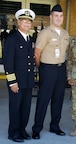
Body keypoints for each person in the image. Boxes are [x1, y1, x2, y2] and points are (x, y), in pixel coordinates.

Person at [32, 4, 69, 139]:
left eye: (60, 16)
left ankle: (55, 126)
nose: (58, 18)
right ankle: (37, 129)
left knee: (58, 99)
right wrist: (41, 67)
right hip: (47, 68)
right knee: (43, 100)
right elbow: (37, 53)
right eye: (56, 16)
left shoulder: (65, 33)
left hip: (61, 69)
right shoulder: (45, 33)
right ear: (51, 17)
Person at [3, 9, 36, 142]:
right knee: (15, 108)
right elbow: (8, 62)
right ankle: (13, 132)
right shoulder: (12, 40)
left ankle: (22, 130)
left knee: (26, 108)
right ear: (18, 22)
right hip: (16, 82)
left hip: (27, 81)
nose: (27, 24)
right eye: (24, 21)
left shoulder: (30, 39)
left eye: (29, 22)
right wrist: (12, 82)